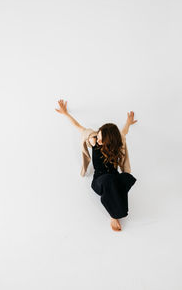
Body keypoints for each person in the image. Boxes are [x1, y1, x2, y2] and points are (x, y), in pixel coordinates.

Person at [55, 99, 138, 232]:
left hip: (113, 178)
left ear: (111, 141)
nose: (98, 141)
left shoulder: (118, 145)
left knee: (127, 178)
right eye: (98, 136)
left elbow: (124, 132)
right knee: (109, 181)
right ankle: (113, 215)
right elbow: (79, 127)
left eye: (101, 139)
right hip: (100, 181)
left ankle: (116, 200)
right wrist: (66, 113)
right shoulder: (94, 141)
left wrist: (128, 122)